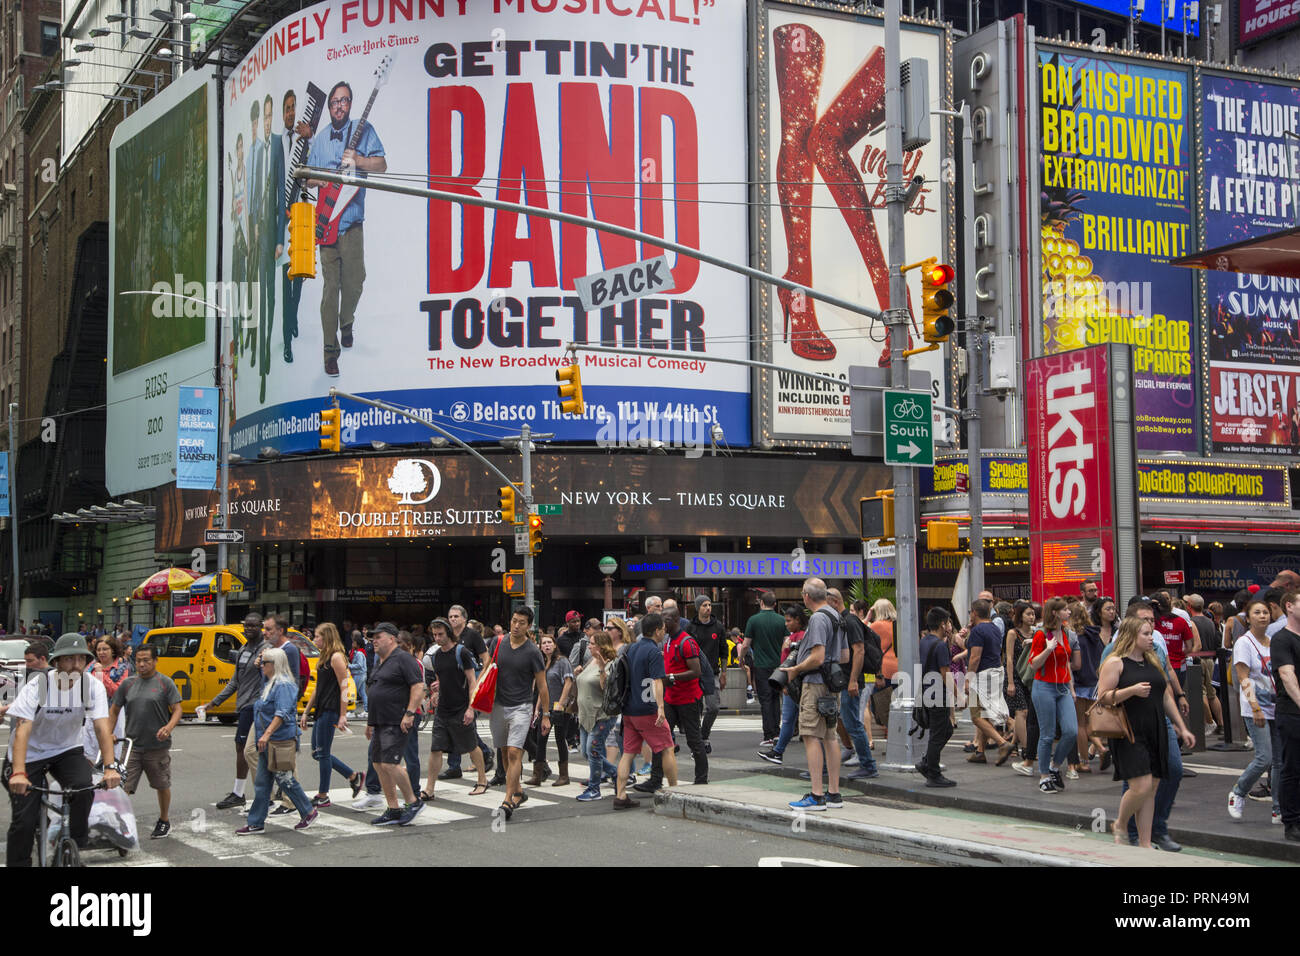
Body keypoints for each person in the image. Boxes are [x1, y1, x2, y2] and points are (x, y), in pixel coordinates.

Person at [4, 634, 122, 867]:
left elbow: (101, 727)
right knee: (24, 822)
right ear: (56, 662)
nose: (76, 665)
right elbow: (22, 730)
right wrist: (18, 772)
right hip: (29, 753)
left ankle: (71, 844)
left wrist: (110, 768)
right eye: (69, 659)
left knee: (83, 787)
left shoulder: (91, 686)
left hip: (67, 749)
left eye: (81, 659)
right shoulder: (39, 685)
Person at [304, 80, 387, 378]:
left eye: (344, 101)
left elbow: (382, 165)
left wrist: (360, 160)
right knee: (330, 290)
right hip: (327, 226)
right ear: (328, 107)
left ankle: (346, 321)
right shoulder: (321, 139)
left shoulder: (363, 131)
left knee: (355, 282)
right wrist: (319, 179)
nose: (339, 106)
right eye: (334, 101)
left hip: (352, 225)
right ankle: (330, 350)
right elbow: (307, 178)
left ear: (350, 104)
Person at [1094, 616, 1195, 848]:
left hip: (1156, 728)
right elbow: (1102, 697)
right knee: (1141, 786)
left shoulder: (1152, 660)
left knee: (1151, 790)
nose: (1151, 638)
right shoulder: (1116, 662)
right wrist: (1130, 691)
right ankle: (1120, 822)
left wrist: (1181, 727)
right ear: (1131, 635)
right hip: (1129, 730)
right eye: (1146, 634)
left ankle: (1146, 843)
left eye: (1151, 633)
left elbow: (1165, 696)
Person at [235, 648, 318, 834]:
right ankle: (256, 822)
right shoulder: (271, 683)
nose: (262, 666)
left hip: (279, 740)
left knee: (285, 779)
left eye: (265, 663)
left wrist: (266, 734)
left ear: (275, 665)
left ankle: (308, 811)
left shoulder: (284, 685)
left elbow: (282, 713)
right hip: (268, 741)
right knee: (263, 783)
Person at [783, 578, 847, 812]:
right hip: (832, 682)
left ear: (806, 596)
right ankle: (834, 793)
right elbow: (845, 655)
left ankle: (816, 795)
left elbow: (818, 656)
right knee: (830, 736)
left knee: (810, 735)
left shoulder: (819, 618)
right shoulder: (836, 616)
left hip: (815, 682)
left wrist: (795, 669)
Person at [108, 644, 182, 839]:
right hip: (132, 746)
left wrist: (168, 727)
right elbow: (114, 710)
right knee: (122, 786)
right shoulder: (128, 684)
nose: (141, 664)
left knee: (161, 784)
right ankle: (119, 823)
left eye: (146, 660)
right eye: (138, 660)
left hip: (157, 746)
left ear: (155, 661)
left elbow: (177, 710)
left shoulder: (165, 683)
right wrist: (109, 733)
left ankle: (164, 820)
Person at [359, 622, 425, 827]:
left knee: (390, 763)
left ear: (391, 638)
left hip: (397, 720)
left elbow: (418, 686)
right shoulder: (381, 661)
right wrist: (370, 722)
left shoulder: (403, 658)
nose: (374, 641)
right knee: (378, 763)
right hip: (380, 720)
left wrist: (410, 713)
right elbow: (377, 689)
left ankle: (413, 802)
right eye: (373, 637)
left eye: (378, 637)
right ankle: (393, 808)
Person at [613, 612, 677, 810]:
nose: (664, 632)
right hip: (647, 708)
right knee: (667, 747)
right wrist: (660, 708)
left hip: (629, 709)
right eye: (663, 629)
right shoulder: (654, 651)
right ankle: (675, 791)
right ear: (657, 630)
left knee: (629, 752)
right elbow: (657, 680)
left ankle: (621, 795)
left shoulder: (630, 648)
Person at [490, 607, 550, 819]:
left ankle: (508, 800)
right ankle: (518, 791)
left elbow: (542, 686)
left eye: (521, 622)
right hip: (498, 705)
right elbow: (488, 670)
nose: (516, 625)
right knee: (505, 753)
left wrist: (545, 714)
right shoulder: (498, 642)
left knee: (516, 752)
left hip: (521, 706)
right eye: (514, 621)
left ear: (529, 626)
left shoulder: (533, 651)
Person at [203, 613, 266, 811]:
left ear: (261, 627)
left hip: (256, 706)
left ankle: (246, 793)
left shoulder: (267, 651)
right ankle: (243, 793)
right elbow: (235, 682)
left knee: (247, 749)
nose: (249, 629)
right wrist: (213, 703)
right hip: (245, 705)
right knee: (249, 749)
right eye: (246, 626)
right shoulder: (243, 649)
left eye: (253, 626)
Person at [421, 618, 487, 801]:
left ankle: (482, 780)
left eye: (440, 634)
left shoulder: (461, 652)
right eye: (434, 635)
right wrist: (436, 692)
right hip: (443, 709)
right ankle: (429, 788)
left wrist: (470, 708)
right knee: (436, 749)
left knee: (471, 745)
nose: (437, 638)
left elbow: (472, 680)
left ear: (449, 633)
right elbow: (442, 678)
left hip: (460, 708)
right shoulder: (436, 656)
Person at [1228, 597, 1281, 824]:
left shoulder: (1272, 641)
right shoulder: (1244, 643)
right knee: (1264, 758)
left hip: (1277, 708)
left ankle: (1278, 809)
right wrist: (1256, 708)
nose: (1263, 616)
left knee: (1280, 761)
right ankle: (1238, 793)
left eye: (1265, 612)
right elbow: (1243, 677)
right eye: (1257, 613)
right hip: (1255, 709)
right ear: (1248, 618)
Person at [299, 623, 363, 808]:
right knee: (317, 753)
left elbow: (344, 686)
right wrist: (306, 711)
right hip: (321, 709)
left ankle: (323, 794)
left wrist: (343, 715)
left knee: (323, 753)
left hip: (331, 709)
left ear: (326, 637)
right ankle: (353, 776)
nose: (314, 639)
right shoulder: (324, 658)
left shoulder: (336, 657)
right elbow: (318, 687)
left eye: (317, 636)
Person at [1029, 596, 1080, 794]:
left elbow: (1066, 662)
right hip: (1044, 687)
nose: (1068, 612)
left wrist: (1072, 688)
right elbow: (1033, 664)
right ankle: (1043, 776)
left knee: (1071, 731)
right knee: (1047, 734)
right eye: (1065, 609)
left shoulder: (1065, 632)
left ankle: (1054, 767)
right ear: (1054, 613)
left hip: (1063, 688)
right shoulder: (1042, 635)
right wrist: (1048, 650)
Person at [827, 589, 879, 779]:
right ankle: (863, 761)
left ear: (833, 602)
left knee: (853, 723)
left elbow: (859, 650)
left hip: (851, 679)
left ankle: (868, 765)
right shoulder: (845, 620)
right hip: (848, 678)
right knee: (848, 721)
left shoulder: (849, 621)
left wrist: (853, 680)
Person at [963, 598, 1014, 766]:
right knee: (986, 713)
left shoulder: (978, 631)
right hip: (995, 671)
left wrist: (968, 679)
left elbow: (975, 657)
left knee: (976, 716)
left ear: (975, 613)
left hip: (981, 675)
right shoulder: (993, 628)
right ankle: (980, 752)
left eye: (971, 612)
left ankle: (1002, 742)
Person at [575, 628, 621, 801]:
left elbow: (607, 689)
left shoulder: (611, 663)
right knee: (587, 753)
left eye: (592, 644)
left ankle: (594, 789)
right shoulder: (591, 661)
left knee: (593, 751)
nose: (589, 647)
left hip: (601, 714)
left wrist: (602, 669)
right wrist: (577, 674)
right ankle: (616, 773)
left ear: (601, 646)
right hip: (585, 714)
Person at [915, 607, 957, 787]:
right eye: (948, 622)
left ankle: (927, 762)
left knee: (945, 729)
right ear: (942, 624)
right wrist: (959, 695)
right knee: (938, 735)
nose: (950, 625)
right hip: (937, 695)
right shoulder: (940, 645)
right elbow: (945, 674)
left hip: (926, 692)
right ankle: (933, 772)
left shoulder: (924, 641)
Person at [1271, 590, 1300, 842]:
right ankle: (1291, 822)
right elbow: (1287, 675)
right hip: (1292, 713)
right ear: (1289, 606)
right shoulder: (1281, 639)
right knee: (1292, 767)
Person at [528, 633, 575, 787]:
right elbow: (543, 688)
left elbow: (568, 682)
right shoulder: (543, 663)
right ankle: (538, 774)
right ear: (540, 647)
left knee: (560, 738)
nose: (547, 645)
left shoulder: (562, 661)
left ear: (555, 645)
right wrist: (537, 708)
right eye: (544, 643)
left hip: (559, 707)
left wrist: (560, 704)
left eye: (549, 642)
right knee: (541, 740)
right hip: (546, 707)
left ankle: (564, 775)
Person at [742, 591, 787, 745]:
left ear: (761, 603)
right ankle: (776, 732)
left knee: (765, 700)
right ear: (774, 604)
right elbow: (787, 643)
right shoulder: (782, 620)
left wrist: (741, 659)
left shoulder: (753, 620)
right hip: (778, 665)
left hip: (761, 665)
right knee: (776, 698)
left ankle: (768, 734)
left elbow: (746, 644)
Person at [1082, 598, 1118, 772]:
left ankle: (1096, 748)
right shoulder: (1091, 632)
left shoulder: (1118, 631)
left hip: (1114, 677)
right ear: (1099, 612)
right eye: (1108, 609)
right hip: (1093, 678)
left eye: (1113, 609)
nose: (1111, 612)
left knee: (1110, 715)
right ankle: (1097, 747)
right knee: (1092, 716)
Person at [687, 596, 728, 751]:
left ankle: (704, 735)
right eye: (704, 605)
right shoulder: (690, 627)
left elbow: (724, 651)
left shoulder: (718, 626)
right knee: (695, 709)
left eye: (710, 605)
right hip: (694, 674)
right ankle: (698, 741)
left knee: (713, 707)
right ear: (698, 608)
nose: (708, 608)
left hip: (713, 673)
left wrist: (724, 673)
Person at [1185, 594, 1225, 735]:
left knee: (1201, 692)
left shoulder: (1191, 621)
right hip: (1210, 660)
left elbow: (1196, 644)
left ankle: (1209, 723)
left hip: (1198, 660)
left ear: (1189, 606)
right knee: (1212, 693)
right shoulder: (1210, 621)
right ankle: (1221, 723)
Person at [349, 631, 369, 717]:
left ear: (358, 644)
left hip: (359, 675)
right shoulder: (359, 652)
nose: (352, 644)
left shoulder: (359, 654)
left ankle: (352, 711)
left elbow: (359, 665)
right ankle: (366, 710)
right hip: (361, 674)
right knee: (362, 693)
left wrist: (349, 665)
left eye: (354, 642)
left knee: (354, 692)